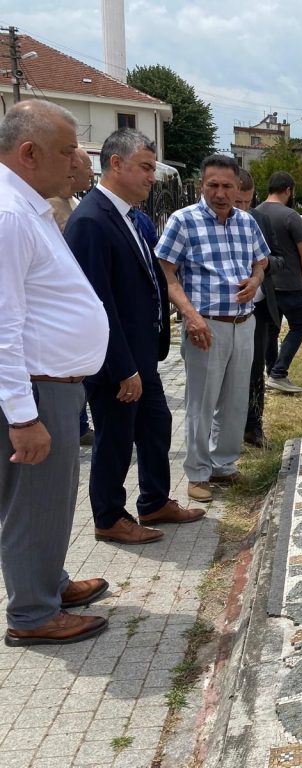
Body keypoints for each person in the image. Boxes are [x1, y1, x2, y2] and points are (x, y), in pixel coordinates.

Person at [0, 100, 110, 646]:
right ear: (29, 152)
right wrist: (23, 417)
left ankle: (49, 582)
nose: (75, 163)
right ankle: (33, 614)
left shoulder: (28, 208)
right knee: (33, 503)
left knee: (50, 500)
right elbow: (3, 324)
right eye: (67, 151)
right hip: (38, 389)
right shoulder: (10, 216)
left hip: (53, 385)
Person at [65, 128, 206, 545]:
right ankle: (109, 517)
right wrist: (122, 366)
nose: (151, 177)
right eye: (144, 167)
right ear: (116, 164)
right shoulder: (91, 220)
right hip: (117, 361)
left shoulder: (130, 217)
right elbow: (97, 302)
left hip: (142, 355)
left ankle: (155, 501)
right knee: (115, 438)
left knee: (156, 424)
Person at [156, 155, 270, 503]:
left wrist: (255, 280)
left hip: (244, 323)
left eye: (227, 186)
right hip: (205, 326)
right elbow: (166, 273)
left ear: (238, 187)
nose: (220, 193)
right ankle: (198, 472)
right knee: (202, 403)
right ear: (200, 186)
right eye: (213, 185)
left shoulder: (246, 222)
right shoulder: (183, 221)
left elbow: (261, 261)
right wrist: (190, 316)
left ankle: (223, 464)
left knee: (235, 400)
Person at [46, 147, 98, 444]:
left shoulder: (74, 202)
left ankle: (78, 424)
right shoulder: (48, 206)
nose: (91, 172)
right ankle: (74, 426)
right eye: (86, 166)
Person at [234, 169, 285, 450]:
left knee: (255, 370)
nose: (242, 208)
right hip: (226, 311)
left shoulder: (259, 219)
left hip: (259, 309)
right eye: (237, 202)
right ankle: (226, 430)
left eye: (247, 202)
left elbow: (279, 258)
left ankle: (253, 427)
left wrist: (265, 264)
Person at [256, 171, 302, 395]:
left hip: (266, 283)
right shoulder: (290, 216)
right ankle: (279, 373)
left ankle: (271, 370)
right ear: (288, 190)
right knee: (300, 326)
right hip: (290, 283)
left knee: (271, 330)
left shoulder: (255, 213)